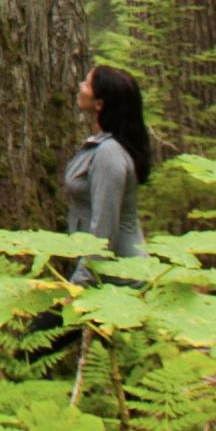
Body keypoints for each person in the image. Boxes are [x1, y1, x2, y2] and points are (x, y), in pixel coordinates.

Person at [63, 62, 153, 282]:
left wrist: (80, 283)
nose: (80, 85)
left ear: (99, 104)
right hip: (105, 274)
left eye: (87, 83)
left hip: (122, 281)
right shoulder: (101, 145)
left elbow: (104, 229)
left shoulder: (109, 154)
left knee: (46, 319)